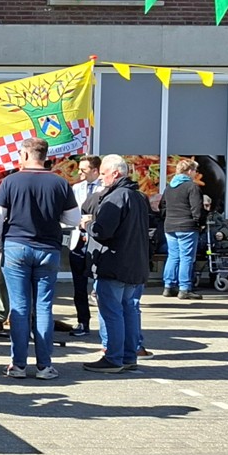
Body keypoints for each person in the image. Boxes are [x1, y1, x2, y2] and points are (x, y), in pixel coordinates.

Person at [0, 137, 80, 380]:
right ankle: (44, 366)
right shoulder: (61, 183)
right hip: (48, 248)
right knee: (43, 307)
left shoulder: (9, 182)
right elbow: (73, 220)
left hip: (16, 246)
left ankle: (18, 365)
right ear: (44, 155)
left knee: (19, 308)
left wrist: (1, 246)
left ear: (26, 154)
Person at [83, 155, 152, 371]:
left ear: (115, 173)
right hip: (134, 263)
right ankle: (129, 356)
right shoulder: (138, 196)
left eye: (103, 173)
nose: (101, 178)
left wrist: (88, 224)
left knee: (112, 311)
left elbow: (103, 231)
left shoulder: (115, 197)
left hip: (114, 263)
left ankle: (113, 357)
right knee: (129, 310)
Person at [160, 157, 206, 300]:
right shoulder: (192, 187)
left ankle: (168, 286)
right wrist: (200, 222)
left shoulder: (169, 187)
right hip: (187, 226)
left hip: (170, 225)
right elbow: (197, 208)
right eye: (195, 171)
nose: (196, 174)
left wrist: (167, 219)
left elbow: (162, 206)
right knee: (186, 257)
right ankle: (184, 288)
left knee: (173, 256)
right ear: (190, 171)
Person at [66, 156, 101, 336]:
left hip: (98, 241)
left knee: (101, 286)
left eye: (84, 170)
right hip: (78, 239)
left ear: (95, 171)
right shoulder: (76, 188)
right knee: (79, 285)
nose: (79, 173)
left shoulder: (106, 188)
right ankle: (82, 321)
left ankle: (106, 325)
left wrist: (92, 221)